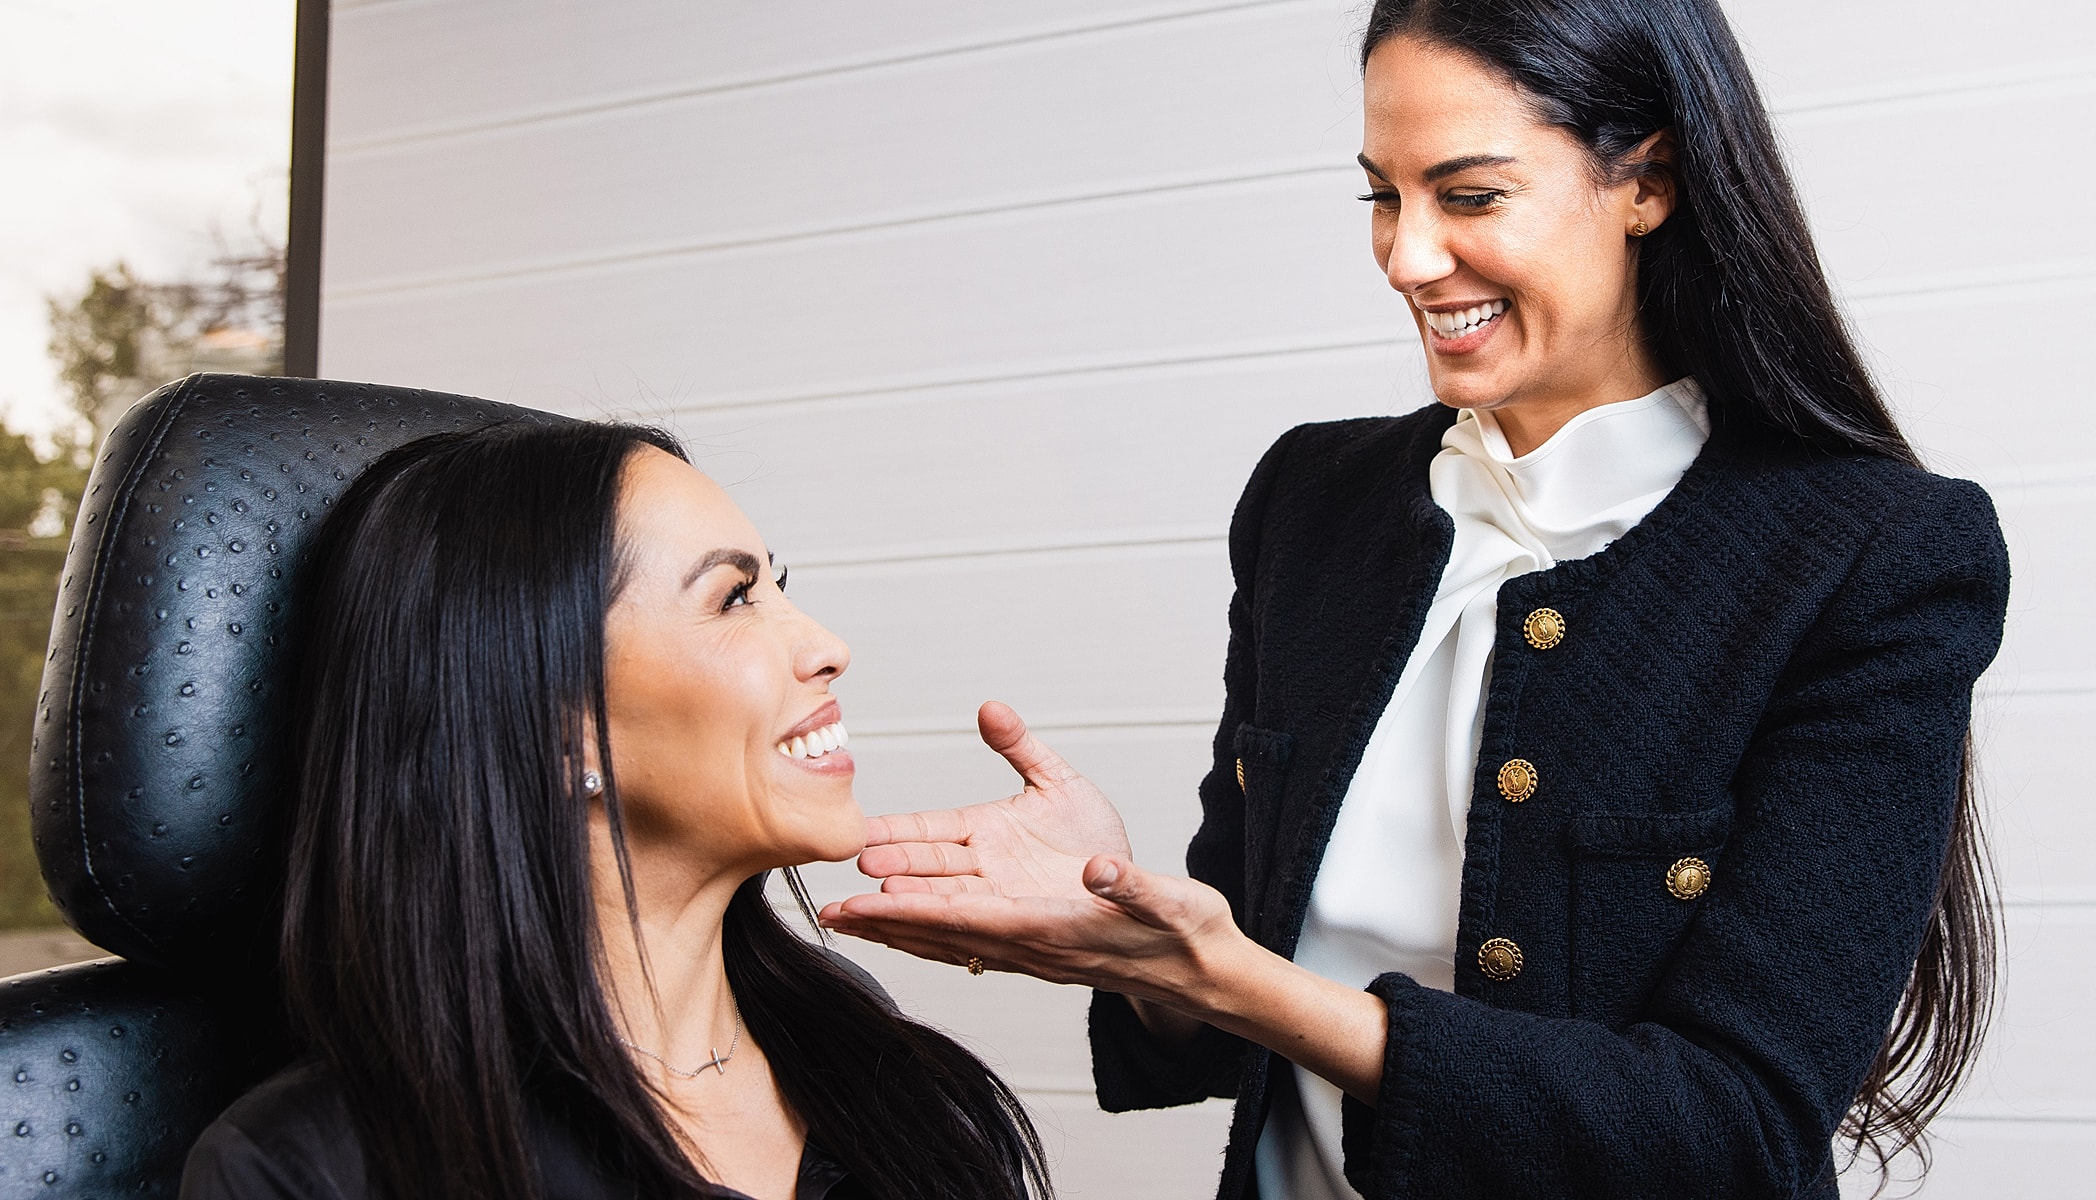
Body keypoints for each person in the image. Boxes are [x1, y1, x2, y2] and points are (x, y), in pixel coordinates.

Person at [817, 2, 2010, 1197]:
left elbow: (1734, 1127)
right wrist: (1121, 926)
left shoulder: (1874, 555)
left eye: (1470, 195)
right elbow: (1225, 970)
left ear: (1647, 182)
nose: (1406, 257)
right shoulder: (1311, 503)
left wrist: (1220, 975)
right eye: (1381, 196)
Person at [181, 421, 1050, 1200]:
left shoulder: (870, 1059)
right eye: (735, 598)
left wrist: (1176, 963)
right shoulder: (315, 1168)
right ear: (563, 735)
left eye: (775, 585)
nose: (828, 647)